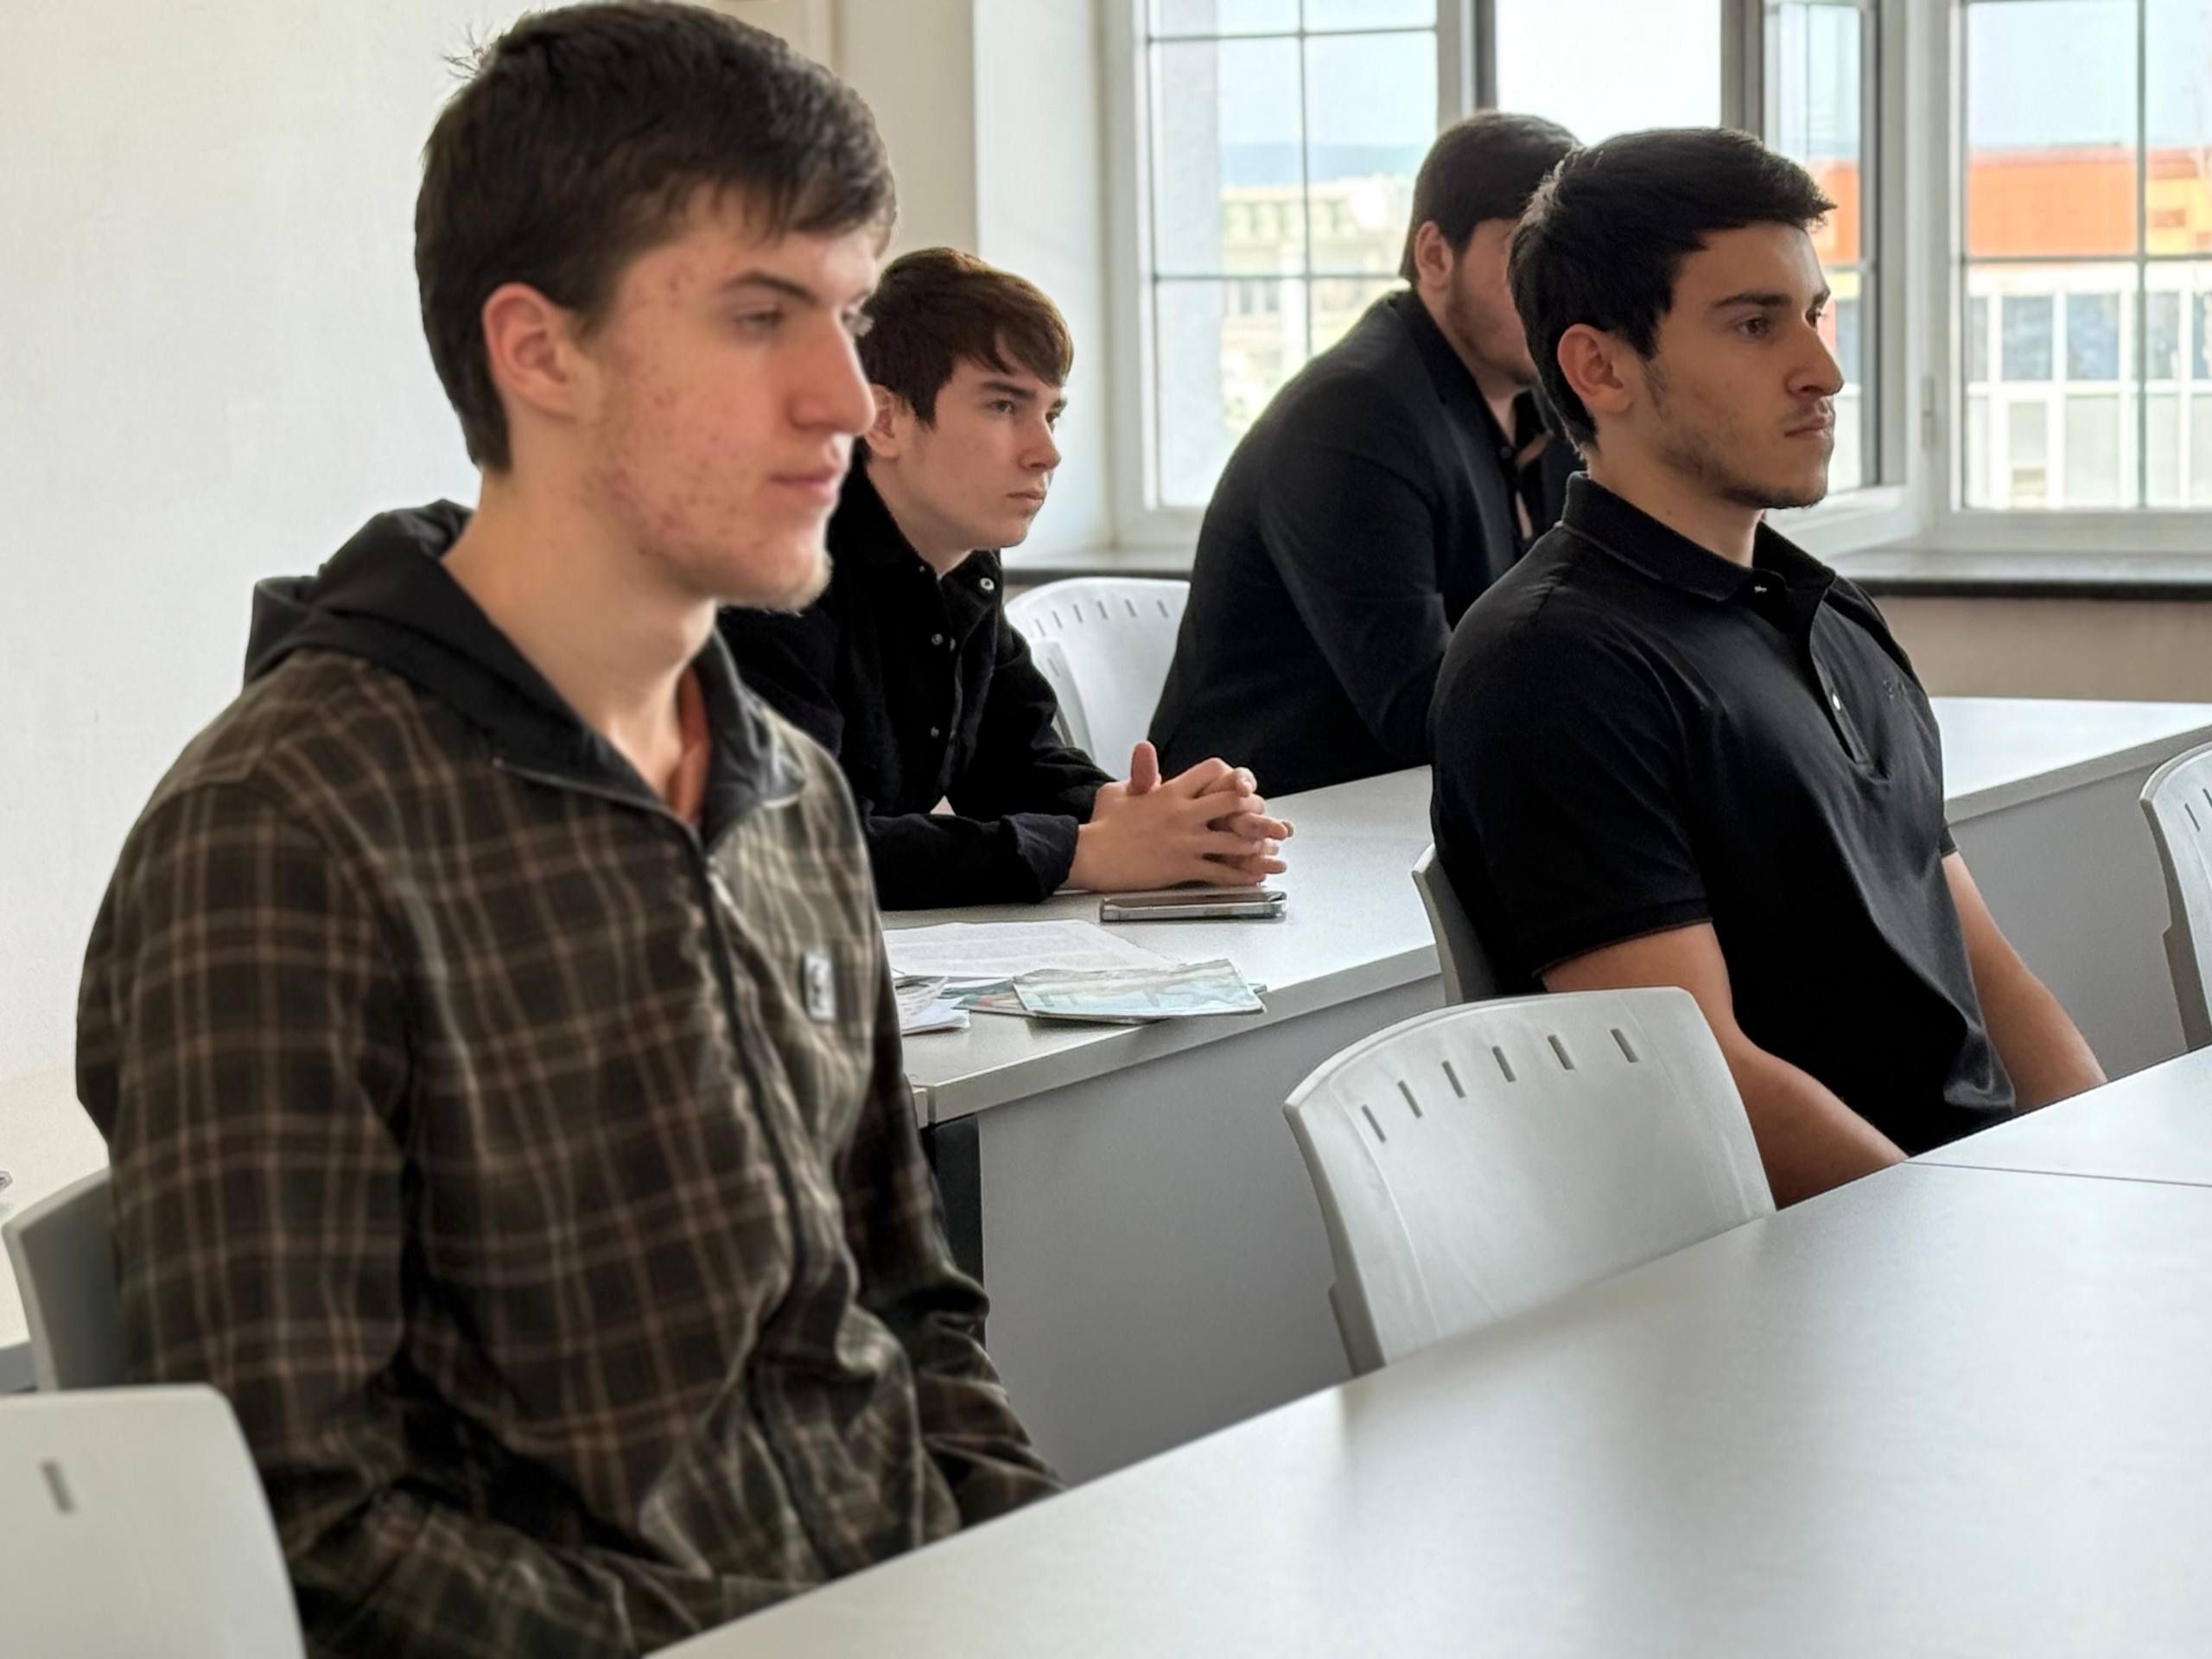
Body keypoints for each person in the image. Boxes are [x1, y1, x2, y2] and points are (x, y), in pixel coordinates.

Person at [75, 10, 1058, 1654]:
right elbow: (305, 1528)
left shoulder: (790, 792)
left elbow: (910, 1309)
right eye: (761, 317)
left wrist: (1048, 1573)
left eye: (846, 316)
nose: (844, 398)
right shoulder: (282, 839)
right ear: (539, 352)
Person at [1430, 128, 2104, 1205]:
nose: (1822, 372)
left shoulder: (1829, 613)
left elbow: (1984, 968)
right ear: (1599, 367)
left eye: (1813, 315)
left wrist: (2102, 1177)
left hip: (1963, 1220)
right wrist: (1972, 1245)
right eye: (1753, 325)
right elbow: (1702, 1080)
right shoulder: (1552, 666)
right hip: (1815, 1262)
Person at [722, 246, 1291, 908]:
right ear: (884, 420)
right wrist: (1086, 851)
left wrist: (1153, 818)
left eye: (1051, 415)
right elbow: (790, 848)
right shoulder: (760, 570)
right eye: (1002, 407)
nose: (1046, 452)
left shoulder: (962, 558)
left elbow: (1012, 761)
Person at [1148, 111, 1580, 797]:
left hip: (1403, 811)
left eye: (1573, 264)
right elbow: (1420, 710)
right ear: (1434, 255)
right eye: (1524, 255)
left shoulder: (1547, 404)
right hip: (1276, 827)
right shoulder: (1355, 414)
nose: (1559, 295)